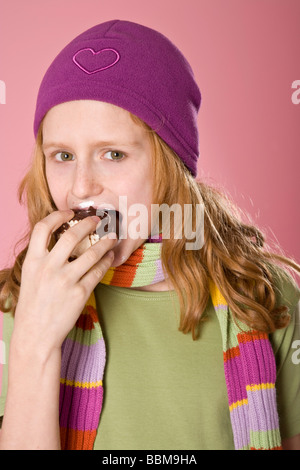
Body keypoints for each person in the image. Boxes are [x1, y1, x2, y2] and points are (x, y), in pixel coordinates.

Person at [0, 19, 299, 451]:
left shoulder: (266, 298)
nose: (82, 186)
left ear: (171, 163)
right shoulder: (13, 305)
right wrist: (34, 343)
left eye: (114, 154)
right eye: (62, 155)